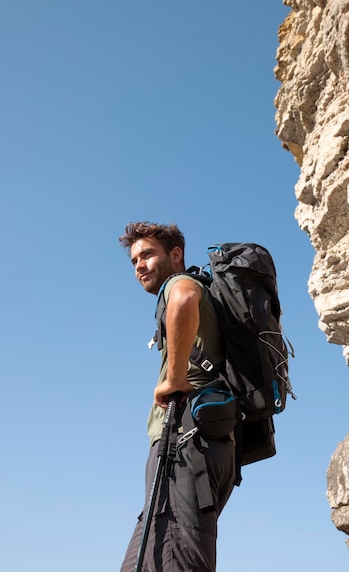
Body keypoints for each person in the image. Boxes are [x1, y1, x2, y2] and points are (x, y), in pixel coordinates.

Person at [118, 221, 236, 572]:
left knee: (172, 560)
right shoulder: (209, 294)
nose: (139, 264)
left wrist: (174, 378)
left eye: (148, 254)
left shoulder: (179, 283)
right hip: (207, 441)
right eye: (134, 259)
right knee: (151, 557)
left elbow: (183, 298)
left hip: (185, 441)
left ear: (175, 255)